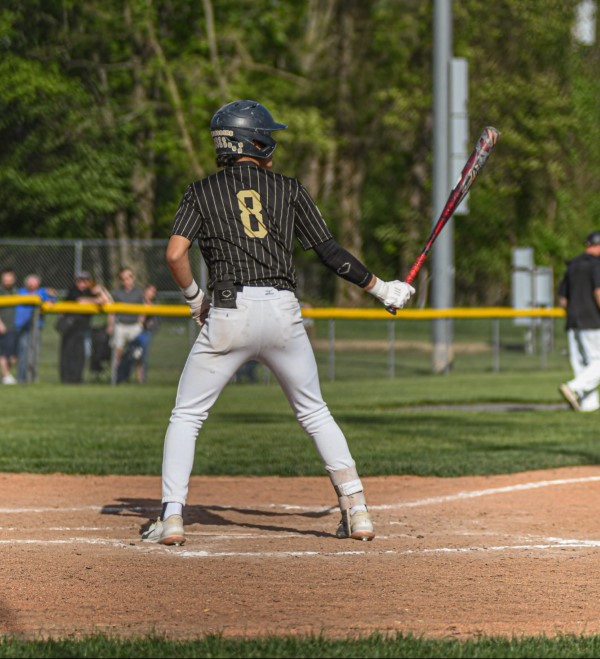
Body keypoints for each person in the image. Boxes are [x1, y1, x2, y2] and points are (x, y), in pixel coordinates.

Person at [142, 99, 415, 547]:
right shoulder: (286, 188)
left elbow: (175, 255)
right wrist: (383, 289)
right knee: (314, 412)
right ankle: (358, 509)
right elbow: (330, 253)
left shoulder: (201, 190)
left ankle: (172, 517)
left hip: (229, 311)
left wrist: (196, 301)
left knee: (187, 416)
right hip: (284, 312)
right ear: (257, 141)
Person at [558, 230, 600, 412]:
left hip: (572, 321)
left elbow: (562, 300)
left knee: (582, 364)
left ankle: (588, 405)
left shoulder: (573, 265)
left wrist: (572, 313)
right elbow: (598, 292)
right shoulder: (596, 265)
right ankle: (573, 387)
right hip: (592, 320)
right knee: (597, 361)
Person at [58, 272, 112, 384]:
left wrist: (101, 290)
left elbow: (109, 302)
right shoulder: (73, 290)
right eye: (80, 280)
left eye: (85, 281)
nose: (82, 283)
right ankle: (66, 379)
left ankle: (76, 378)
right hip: (70, 327)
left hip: (82, 328)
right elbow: (80, 301)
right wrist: (96, 301)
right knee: (68, 353)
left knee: (80, 354)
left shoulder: (90, 292)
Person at [14, 274, 57, 384]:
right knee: (23, 353)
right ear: (26, 283)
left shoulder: (42, 292)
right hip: (23, 328)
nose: (32, 285)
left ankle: (33, 378)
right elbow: (32, 298)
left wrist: (50, 298)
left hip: (36, 327)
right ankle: (22, 379)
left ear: (38, 284)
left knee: (35, 353)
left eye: (35, 282)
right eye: (30, 282)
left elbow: (53, 298)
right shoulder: (21, 292)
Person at [116, 283, 158, 384]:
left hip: (144, 333)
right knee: (128, 355)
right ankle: (120, 377)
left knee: (140, 356)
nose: (152, 293)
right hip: (135, 330)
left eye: (154, 292)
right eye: (150, 291)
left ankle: (141, 380)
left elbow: (147, 319)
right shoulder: (139, 301)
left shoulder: (153, 304)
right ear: (145, 291)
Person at [107, 267, 144, 378]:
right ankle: (115, 378)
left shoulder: (139, 292)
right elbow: (111, 311)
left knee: (138, 354)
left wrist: (141, 321)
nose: (126, 281)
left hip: (135, 326)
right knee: (117, 352)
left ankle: (140, 381)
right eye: (123, 278)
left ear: (132, 278)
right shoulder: (116, 293)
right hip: (121, 325)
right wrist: (110, 325)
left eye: (128, 278)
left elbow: (144, 308)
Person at [0, 268, 18, 384]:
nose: (7, 280)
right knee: (2, 353)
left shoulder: (16, 291)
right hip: (2, 326)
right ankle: (6, 376)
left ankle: (4, 375)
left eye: (10, 277)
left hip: (14, 326)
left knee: (13, 357)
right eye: (5, 277)